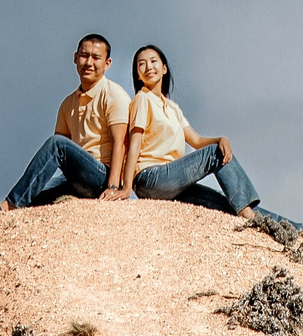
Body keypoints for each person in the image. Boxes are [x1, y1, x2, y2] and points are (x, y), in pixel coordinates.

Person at [0, 33, 133, 264]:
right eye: (84, 56)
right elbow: (61, 159)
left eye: (96, 58)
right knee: (33, 198)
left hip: (102, 174)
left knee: (55, 146)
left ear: (107, 64)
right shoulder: (68, 104)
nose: (89, 62)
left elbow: (121, 143)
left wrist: (113, 187)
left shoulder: (113, 95)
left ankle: (8, 205)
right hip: (78, 176)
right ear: (75, 58)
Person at [121, 44, 292, 224]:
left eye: (153, 61)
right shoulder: (142, 99)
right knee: (215, 154)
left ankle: (293, 227)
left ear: (164, 68)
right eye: (142, 64)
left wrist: (220, 139)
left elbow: (196, 140)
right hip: (150, 179)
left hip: (172, 183)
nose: (148, 67)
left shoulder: (172, 108)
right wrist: (126, 188)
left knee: (228, 201)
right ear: (137, 75)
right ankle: (248, 215)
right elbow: (134, 144)